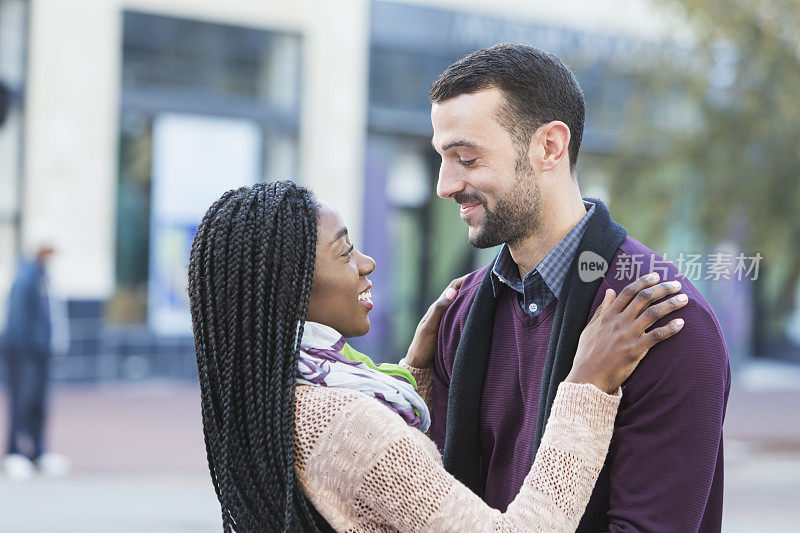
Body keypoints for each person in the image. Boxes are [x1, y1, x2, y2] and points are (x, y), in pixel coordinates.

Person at [187, 180, 687, 532]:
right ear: (287, 289)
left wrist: (414, 375)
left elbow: (366, 497)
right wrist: (588, 386)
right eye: (344, 253)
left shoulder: (286, 393)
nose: (367, 263)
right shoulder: (342, 422)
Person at [428, 43, 731, 532]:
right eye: (443, 158)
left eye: (466, 157)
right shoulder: (459, 314)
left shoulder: (661, 318)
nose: (444, 185)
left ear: (549, 147)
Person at [1, 245, 61, 479]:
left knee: (38, 404)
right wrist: (26, 348)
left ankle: (37, 451)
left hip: (39, 352)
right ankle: (15, 452)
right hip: (24, 353)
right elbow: (17, 319)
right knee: (22, 402)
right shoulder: (26, 277)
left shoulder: (42, 277)